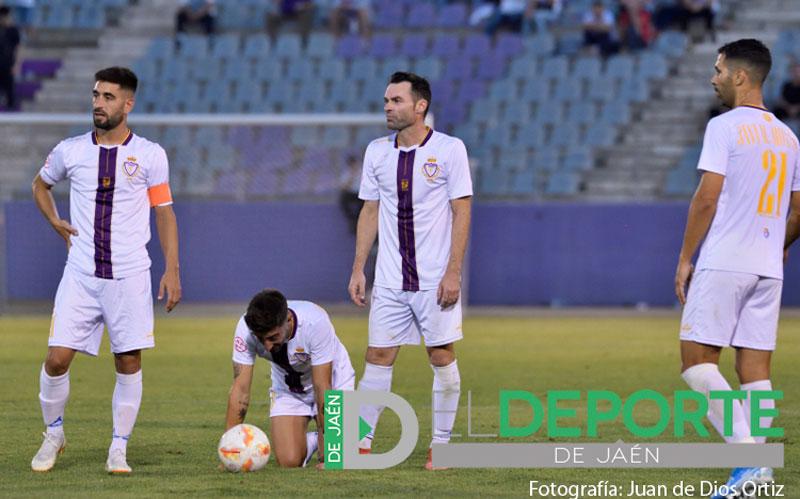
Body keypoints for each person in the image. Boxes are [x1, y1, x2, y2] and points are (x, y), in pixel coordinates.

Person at [30, 67, 182, 474]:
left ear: (128, 104)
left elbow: (164, 213)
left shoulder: (150, 155)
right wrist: (55, 221)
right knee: (56, 359)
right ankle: (54, 433)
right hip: (80, 274)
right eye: (96, 94)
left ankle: (119, 446)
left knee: (128, 361)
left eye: (109, 97)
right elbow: (40, 185)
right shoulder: (71, 150)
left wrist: (172, 270)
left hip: (130, 275)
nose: (99, 103)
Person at [674, 39, 800, 498]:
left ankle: (748, 462)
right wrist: (780, 246)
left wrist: (686, 258)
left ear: (741, 77)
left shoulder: (725, 127)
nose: (714, 77)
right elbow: (798, 210)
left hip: (726, 259)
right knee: (755, 369)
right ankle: (756, 475)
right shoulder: (789, 137)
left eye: (719, 69)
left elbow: (707, 197)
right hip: (769, 266)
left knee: (696, 362)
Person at [348, 71, 473, 470]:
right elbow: (369, 210)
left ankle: (443, 445)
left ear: (420, 106)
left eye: (397, 100)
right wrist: (358, 268)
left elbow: (462, 210)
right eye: (386, 100)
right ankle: (358, 445)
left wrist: (454, 271)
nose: (388, 106)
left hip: (435, 280)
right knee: (378, 355)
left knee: (440, 356)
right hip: (388, 279)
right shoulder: (376, 152)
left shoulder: (451, 150)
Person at [225, 289, 355, 468]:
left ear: (288, 320)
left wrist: (331, 445)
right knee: (289, 461)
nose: (267, 346)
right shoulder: (246, 330)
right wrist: (230, 450)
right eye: (261, 340)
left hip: (332, 380)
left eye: (272, 337)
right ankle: (318, 439)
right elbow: (240, 390)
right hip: (288, 387)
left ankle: (350, 426)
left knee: (334, 459)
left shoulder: (315, 322)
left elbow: (322, 386)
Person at [0, 6, 21, 111]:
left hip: (8, 64)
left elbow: (18, 48)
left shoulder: (13, 30)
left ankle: (11, 110)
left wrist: (16, 64)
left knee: (9, 91)